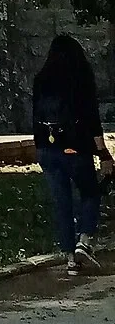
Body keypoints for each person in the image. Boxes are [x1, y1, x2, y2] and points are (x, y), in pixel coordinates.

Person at [31, 35, 113, 276]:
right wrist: (104, 154)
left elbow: (35, 117)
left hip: (47, 149)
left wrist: (41, 146)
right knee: (90, 192)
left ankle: (70, 260)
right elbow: (92, 120)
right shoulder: (80, 78)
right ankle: (84, 240)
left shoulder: (41, 79)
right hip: (75, 148)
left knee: (61, 203)